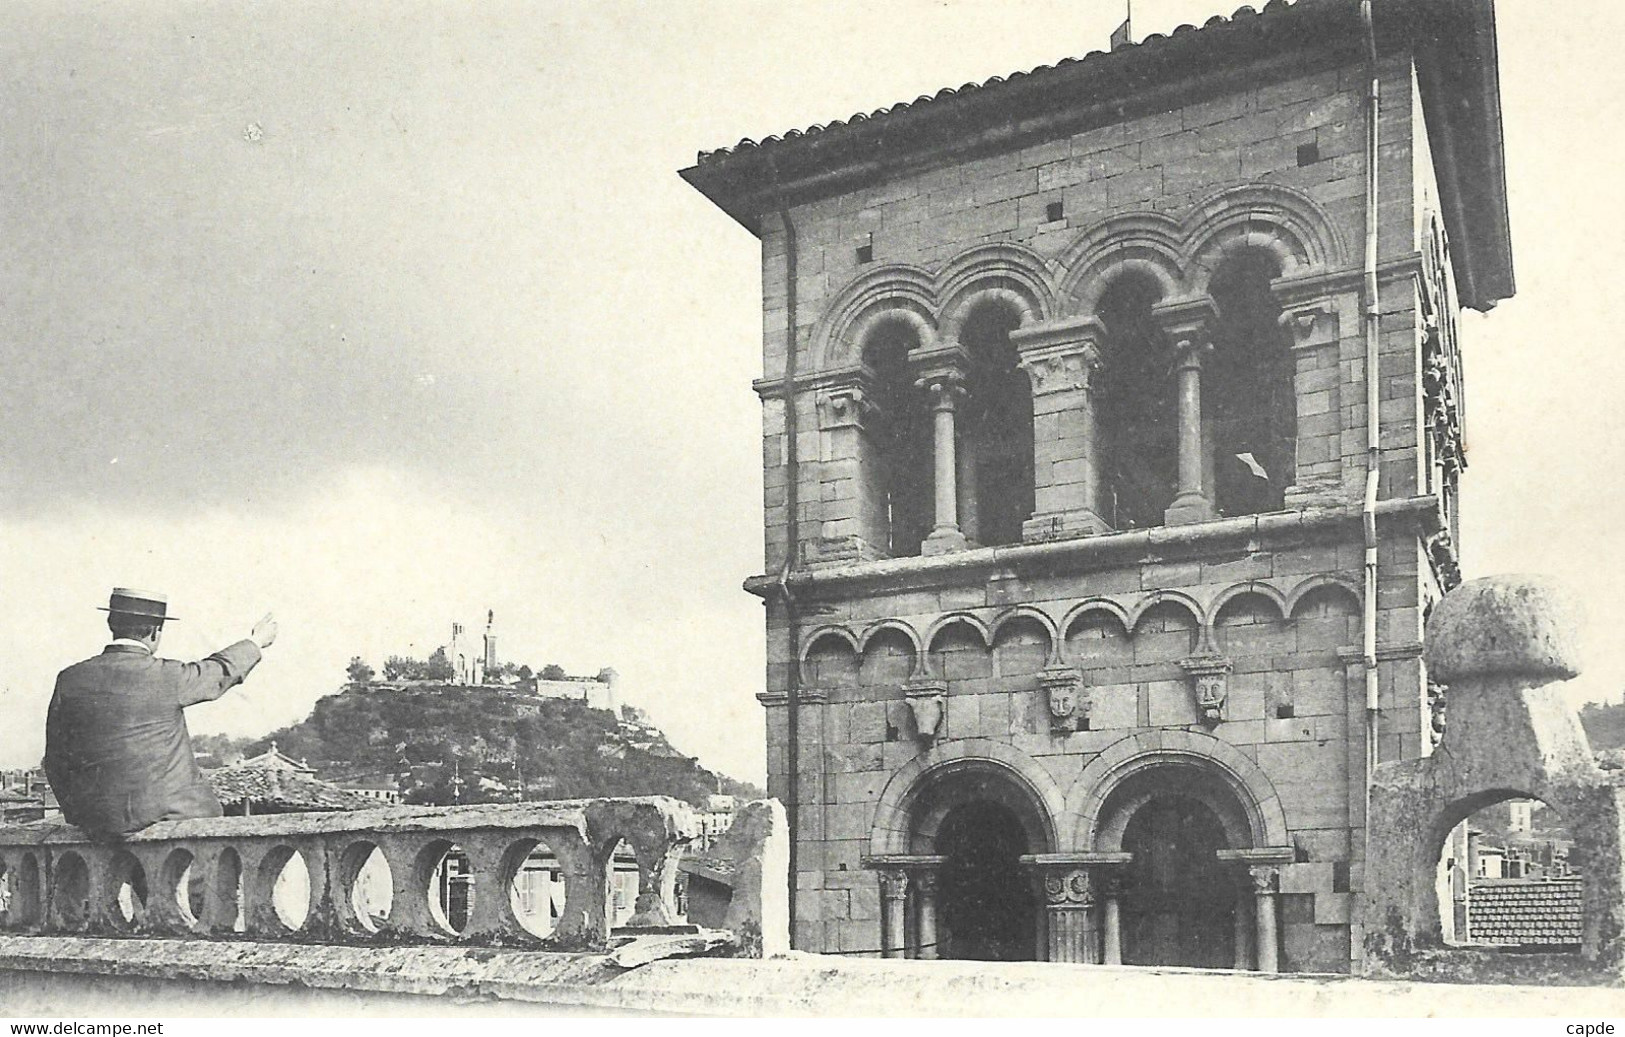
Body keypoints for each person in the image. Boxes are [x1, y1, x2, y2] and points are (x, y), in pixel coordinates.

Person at [43, 588, 278, 838]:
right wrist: (256, 642)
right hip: (169, 819)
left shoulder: (70, 679)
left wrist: (81, 814)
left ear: (111, 623)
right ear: (156, 631)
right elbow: (218, 670)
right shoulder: (167, 676)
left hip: (97, 823)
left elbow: (55, 760)